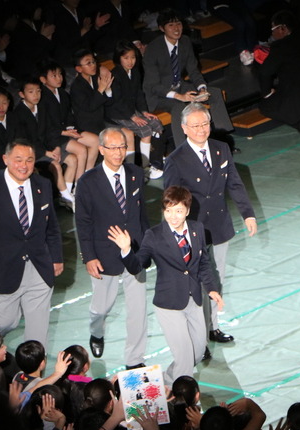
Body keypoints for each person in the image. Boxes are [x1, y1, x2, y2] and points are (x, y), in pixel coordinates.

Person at [163, 103, 257, 349]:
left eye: (205, 124)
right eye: (195, 126)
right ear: (184, 128)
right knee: (197, 282)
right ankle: (198, 337)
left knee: (217, 278)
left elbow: (234, 183)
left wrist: (247, 214)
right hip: (193, 231)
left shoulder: (221, 148)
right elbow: (171, 199)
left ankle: (213, 325)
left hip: (220, 225)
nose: (201, 130)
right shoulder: (176, 160)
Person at [108, 185, 223, 385]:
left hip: (193, 299)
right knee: (185, 360)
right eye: (168, 211)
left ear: (187, 210)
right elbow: (139, 265)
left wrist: (211, 288)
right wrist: (127, 251)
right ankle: (182, 403)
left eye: (178, 211)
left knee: (196, 353)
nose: (173, 216)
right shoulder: (154, 235)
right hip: (168, 304)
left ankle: (159, 383)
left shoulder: (197, 229)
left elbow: (203, 262)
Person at [0, 139, 64, 346]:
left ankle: (33, 375)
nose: (23, 166)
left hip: (39, 266)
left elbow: (51, 225)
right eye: (18, 160)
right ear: (5, 159)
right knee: (3, 323)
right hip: (2, 269)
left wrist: (56, 257)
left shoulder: (42, 184)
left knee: (38, 331)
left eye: (29, 160)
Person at [75, 127, 149, 370]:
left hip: (135, 252)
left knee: (137, 310)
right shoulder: (87, 181)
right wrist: (89, 257)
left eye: (122, 147)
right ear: (101, 149)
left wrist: (147, 247)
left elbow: (141, 214)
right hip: (104, 254)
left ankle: (134, 360)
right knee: (101, 307)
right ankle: (97, 332)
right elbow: (83, 222)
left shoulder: (136, 173)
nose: (119, 153)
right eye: (113, 148)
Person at [142, 8, 234, 145]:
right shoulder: (153, 49)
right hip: (158, 95)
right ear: (162, 28)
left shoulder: (185, 41)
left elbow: (193, 70)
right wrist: (179, 96)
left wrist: (202, 88)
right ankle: (183, 150)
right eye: (171, 25)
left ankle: (223, 139)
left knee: (214, 93)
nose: (176, 29)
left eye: (178, 24)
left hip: (179, 86)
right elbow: (154, 86)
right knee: (178, 107)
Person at [12, 78, 76, 210]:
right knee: (56, 166)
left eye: (38, 91)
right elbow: (24, 141)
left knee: (73, 159)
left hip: (49, 146)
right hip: (32, 151)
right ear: (22, 94)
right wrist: (46, 152)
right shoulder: (18, 114)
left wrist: (56, 147)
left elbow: (50, 130)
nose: (36, 95)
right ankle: (69, 198)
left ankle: (66, 194)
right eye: (31, 92)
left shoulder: (42, 106)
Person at [106, 39, 164, 177]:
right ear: (118, 58)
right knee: (145, 129)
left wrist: (144, 112)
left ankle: (155, 159)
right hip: (118, 113)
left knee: (156, 123)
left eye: (132, 57)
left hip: (133, 110)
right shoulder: (115, 74)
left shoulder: (135, 72)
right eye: (126, 58)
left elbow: (139, 93)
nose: (130, 61)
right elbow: (117, 101)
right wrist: (133, 116)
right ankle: (144, 167)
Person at [38, 59, 99, 175]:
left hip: (67, 131)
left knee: (95, 140)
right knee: (81, 150)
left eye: (60, 74)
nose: (59, 78)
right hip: (54, 137)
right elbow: (46, 125)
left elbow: (69, 115)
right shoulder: (42, 98)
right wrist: (64, 132)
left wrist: (70, 128)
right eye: (54, 76)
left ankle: (88, 174)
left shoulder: (63, 93)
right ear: (43, 79)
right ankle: (80, 184)